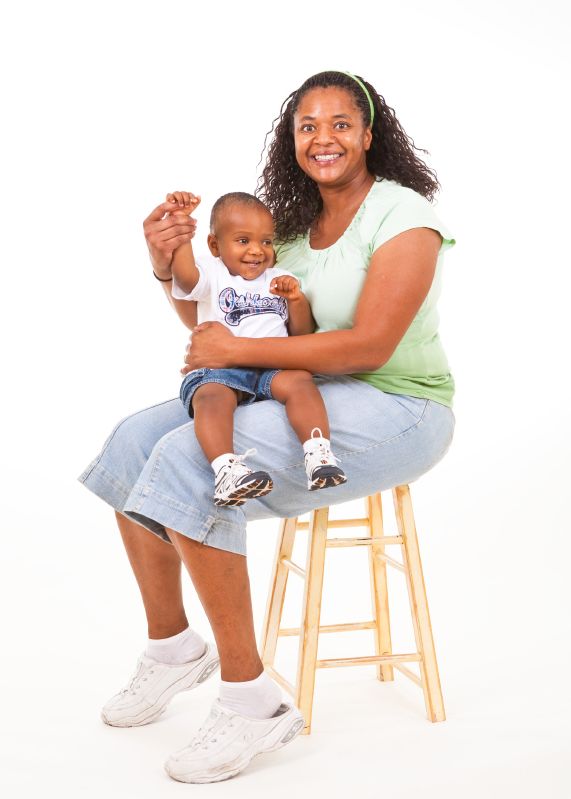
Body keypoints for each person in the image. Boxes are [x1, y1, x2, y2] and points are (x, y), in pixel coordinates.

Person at [79, 70, 456, 784]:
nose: (323, 138)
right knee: (134, 442)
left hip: (399, 405)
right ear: (292, 141)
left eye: (340, 123)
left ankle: (252, 702)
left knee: (191, 460)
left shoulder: (405, 218)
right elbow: (226, 328)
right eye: (307, 126)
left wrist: (240, 352)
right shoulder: (286, 230)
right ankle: (172, 649)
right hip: (303, 389)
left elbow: (369, 346)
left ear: (370, 135)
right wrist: (167, 269)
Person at [169, 189, 347, 507]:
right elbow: (182, 280)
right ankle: (227, 470)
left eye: (266, 241)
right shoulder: (213, 273)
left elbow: (300, 334)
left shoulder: (280, 278)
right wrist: (182, 230)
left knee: (300, 382)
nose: (257, 251)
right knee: (210, 397)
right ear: (214, 246)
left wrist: (295, 300)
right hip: (222, 371)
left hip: (272, 367)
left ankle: (319, 454)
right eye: (243, 241)